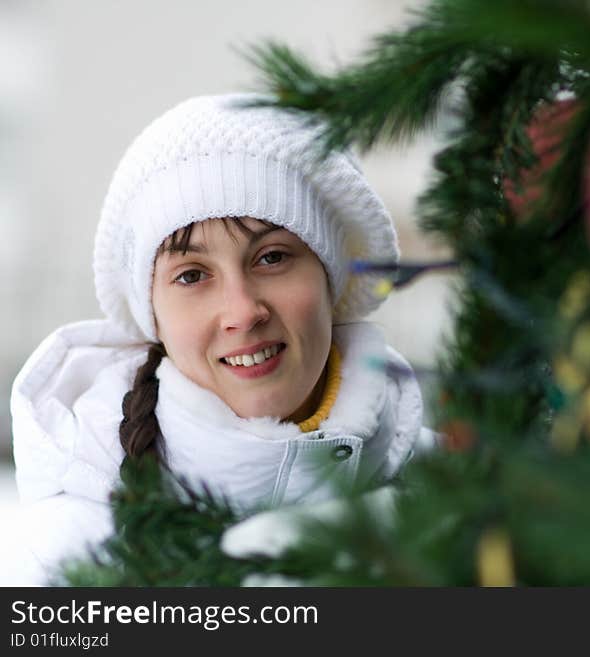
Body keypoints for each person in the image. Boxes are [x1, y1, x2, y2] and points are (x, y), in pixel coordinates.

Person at [10, 93, 435, 585]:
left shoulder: (463, 506)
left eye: (272, 257)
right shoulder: (58, 558)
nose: (242, 312)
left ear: (330, 279)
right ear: (154, 318)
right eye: (192, 276)